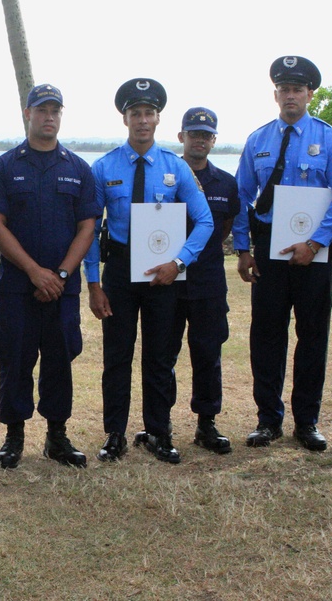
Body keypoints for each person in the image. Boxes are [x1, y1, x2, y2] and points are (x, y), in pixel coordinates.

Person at [83, 82, 214, 465]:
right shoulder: (104, 167)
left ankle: (159, 432)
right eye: (135, 113)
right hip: (121, 271)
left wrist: (180, 262)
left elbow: (204, 220)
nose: (142, 120)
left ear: (158, 118)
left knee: (159, 357)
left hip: (163, 273)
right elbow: (90, 228)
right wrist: (93, 283)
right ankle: (114, 434)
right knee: (116, 356)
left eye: (149, 113)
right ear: (124, 118)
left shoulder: (176, 167)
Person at [232, 56, 332, 451]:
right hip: (268, 246)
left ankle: (307, 421)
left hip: (313, 250)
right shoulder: (258, 140)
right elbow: (241, 195)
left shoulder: (329, 138)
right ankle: (268, 420)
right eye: (284, 89)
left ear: (309, 94)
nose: (290, 95)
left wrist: (317, 242)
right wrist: (242, 248)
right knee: (266, 334)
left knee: (312, 334)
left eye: (297, 89)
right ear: (275, 94)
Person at [0, 83, 100, 469]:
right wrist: (34, 272)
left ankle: (57, 436)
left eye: (55, 110)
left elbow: (88, 226)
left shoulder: (77, 168)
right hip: (19, 286)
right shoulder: (5, 166)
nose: (48, 117)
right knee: (14, 358)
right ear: (27, 114)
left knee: (59, 359)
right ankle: (13, 437)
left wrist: (62, 273)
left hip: (62, 289)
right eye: (42, 110)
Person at [165, 107, 240, 455]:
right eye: (193, 133)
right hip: (167, 280)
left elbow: (223, 228)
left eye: (206, 134)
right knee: (162, 354)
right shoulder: (164, 176)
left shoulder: (226, 182)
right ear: (181, 137)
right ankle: (158, 422)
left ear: (213, 140)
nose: (199, 139)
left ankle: (206, 423)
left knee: (208, 353)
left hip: (208, 281)